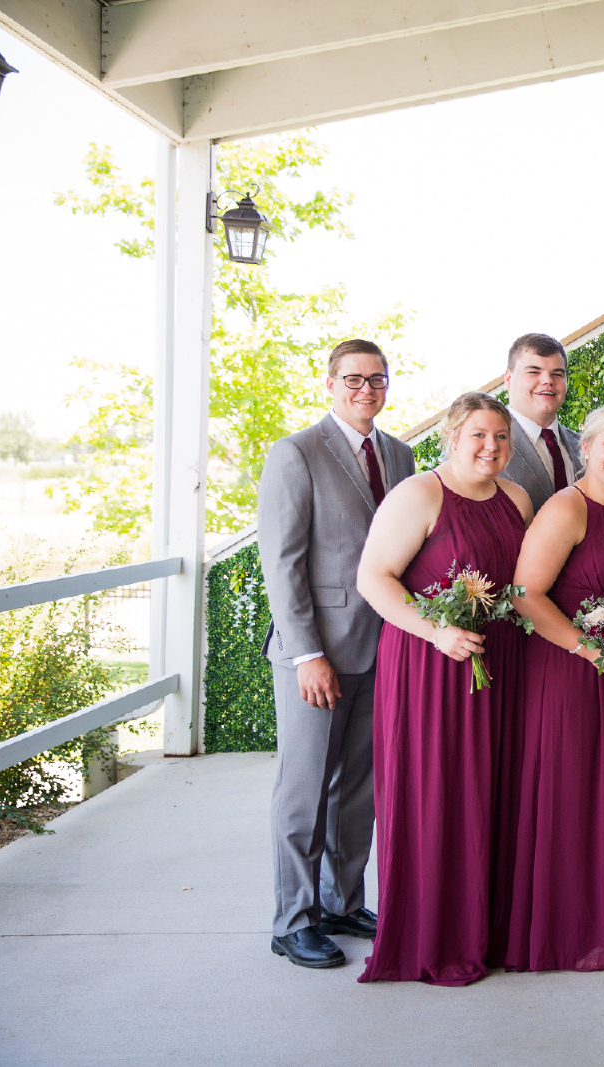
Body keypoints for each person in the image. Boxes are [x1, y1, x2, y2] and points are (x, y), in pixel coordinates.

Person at [354, 392, 535, 985]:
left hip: (501, 666)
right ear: (453, 436)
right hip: (431, 667)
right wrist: (437, 633)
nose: (491, 448)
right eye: (479, 435)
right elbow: (373, 579)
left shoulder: (516, 498)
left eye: (501, 437)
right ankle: (434, 935)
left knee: (494, 792)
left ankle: (490, 932)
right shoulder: (420, 493)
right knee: (440, 795)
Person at [258, 339, 414, 969]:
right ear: (329, 383)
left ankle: (343, 902)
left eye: (377, 380)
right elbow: (283, 564)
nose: (366, 391)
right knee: (303, 790)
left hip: (385, 648)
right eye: (353, 379)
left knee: (357, 788)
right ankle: (293, 920)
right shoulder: (295, 454)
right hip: (317, 654)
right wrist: (306, 654)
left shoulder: (400, 455)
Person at [507, 404, 604, 972]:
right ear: (585, 448)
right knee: (568, 790)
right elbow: (525, 593)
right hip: (567, 669)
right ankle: (562, 931)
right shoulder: (567, 507)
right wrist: (588, 649)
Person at [500, 332, 582, 509]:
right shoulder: (481, 445)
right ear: (508, 379)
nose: (547, 381)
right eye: (534, 372)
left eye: (557, 374)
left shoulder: (584, 446)